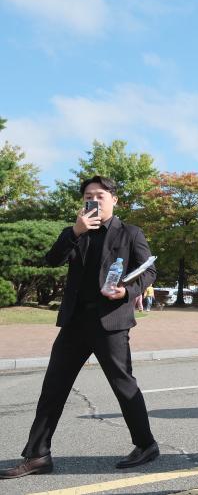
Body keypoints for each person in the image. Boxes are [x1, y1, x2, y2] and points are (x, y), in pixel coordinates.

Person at [0, 176, 159, 479]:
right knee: (53, 387)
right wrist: (75, 231)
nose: (94, 200)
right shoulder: (77, 231)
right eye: (88, 195)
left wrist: (127, 292)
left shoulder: (130, 233)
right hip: (75, 322)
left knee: (123, 385)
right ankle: (38, 455)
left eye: (100, 195)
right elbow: (51, 259)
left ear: (114, 199)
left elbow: (148, 271)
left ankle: (146, 444)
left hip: (110, 322)